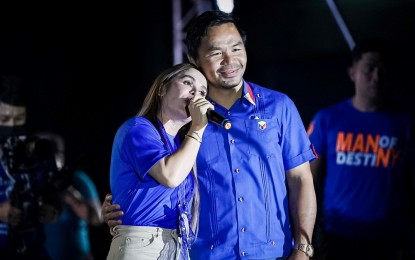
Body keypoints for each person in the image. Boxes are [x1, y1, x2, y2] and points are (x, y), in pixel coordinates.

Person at [103, 10, 317, 259]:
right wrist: (120, 207)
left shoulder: (278, 107)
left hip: (272, 253)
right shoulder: (181, 120)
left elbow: (301, 179)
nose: (229, 60)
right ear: (194, 58)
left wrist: (303, 247)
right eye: (216, 52)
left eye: (236, 48)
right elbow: (158, 177)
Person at [306, 37, 415, 260]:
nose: (376, 77)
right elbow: (308, 180)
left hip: (388, 236)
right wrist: (306, 234)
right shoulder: (328, 119)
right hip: (339, 234)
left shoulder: (404, 123)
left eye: (382, 70)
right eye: (369, 69)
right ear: (353, 73)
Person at [106, 62, 212, 260]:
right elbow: (170, 176)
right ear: (162, 88)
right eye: (188, 83)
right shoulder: (138, 129)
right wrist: (197, 128)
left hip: (175, 246)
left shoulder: (182, 145)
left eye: (202, 92)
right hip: (142, 245)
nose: (195, 94)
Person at [0, 74, 60, 259]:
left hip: (33, 248)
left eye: (19, 119)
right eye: (4, 119)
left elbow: (53, 193)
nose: (12, 126)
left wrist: (51, 210)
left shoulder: (39, 151)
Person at [35, 131, 103, 260]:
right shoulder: (30, 183)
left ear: (61, 157)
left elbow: (97, 219)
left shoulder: (78, 180)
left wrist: (69, 193)